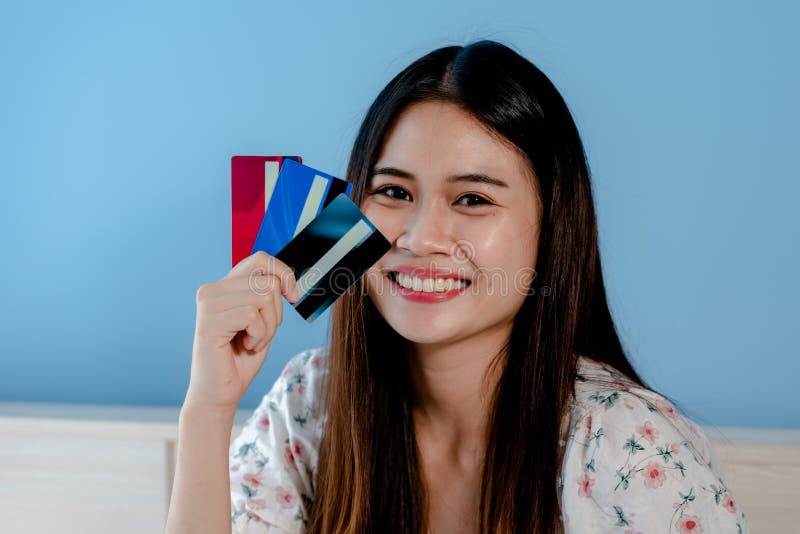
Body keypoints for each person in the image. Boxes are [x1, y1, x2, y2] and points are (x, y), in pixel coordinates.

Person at [165, 40, 750, 533]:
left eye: (473, 199)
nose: (421, 237)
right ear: (350, 213)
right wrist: (208, 410)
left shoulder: (629, 444)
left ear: (553, 229)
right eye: (394, 193)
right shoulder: (307, 403)